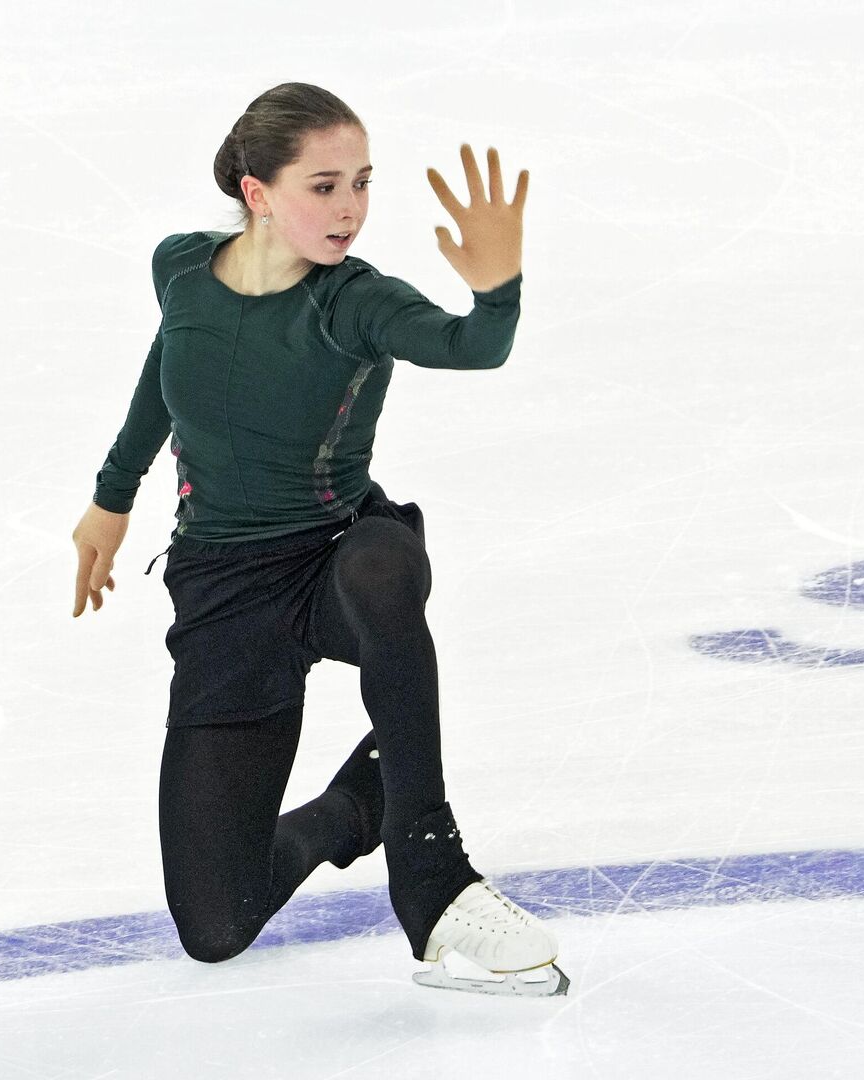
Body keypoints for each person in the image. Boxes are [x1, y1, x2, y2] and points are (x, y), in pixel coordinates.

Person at [68, 82, 562, 995]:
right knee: (217, 923)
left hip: (336, 553)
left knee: (383, 570)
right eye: (325, 185)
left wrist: (497, 293)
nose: (351, 209)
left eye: (363, 184)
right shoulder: (181, 268)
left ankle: (433, 874)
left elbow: (468, 346)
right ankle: (355, 807)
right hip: (225, 590)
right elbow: (169, 359)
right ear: (258, 194)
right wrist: (112, 493)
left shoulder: (354, 303)